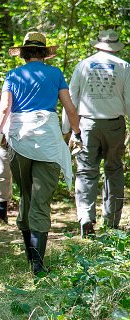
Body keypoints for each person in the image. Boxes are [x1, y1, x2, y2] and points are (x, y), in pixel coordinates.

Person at [0, 31, 81, 275]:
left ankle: (32, 261)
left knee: (26, 196)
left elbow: (5, 108)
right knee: (41, 201)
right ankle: (38, 267)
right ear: (44, 53)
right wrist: (77, 133)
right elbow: (69, 108)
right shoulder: (55, 74)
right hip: (48, 140)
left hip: (20, 140)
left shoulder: (13, 75)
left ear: (25, 53)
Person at [62, 29, 130, 236]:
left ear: (97, 44)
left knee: (85, 171)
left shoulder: (83, 65)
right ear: (116, 46)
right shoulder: (124, 67)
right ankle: (111, 222)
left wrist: (67, 129)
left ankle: (85, 217)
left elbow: (71, 98)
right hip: (114, 124)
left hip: (87, 124)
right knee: (114, 170)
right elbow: (129, 100)